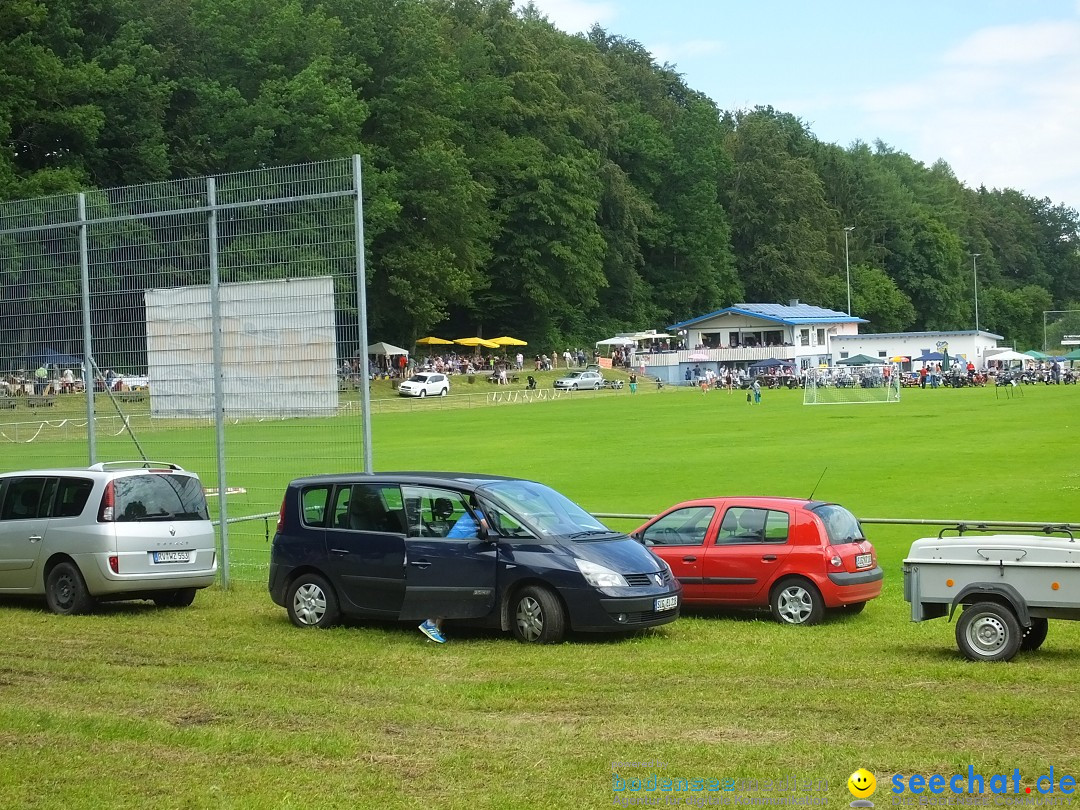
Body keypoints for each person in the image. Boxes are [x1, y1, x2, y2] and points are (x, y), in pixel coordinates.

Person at [420, 501, 486, 644]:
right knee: (449, 593)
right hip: (451, 553)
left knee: (450, 593)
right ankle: (430, 623)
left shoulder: (472, 513)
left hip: (452, 551)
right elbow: (488, 528)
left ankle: (434, 630)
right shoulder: (479, 514)